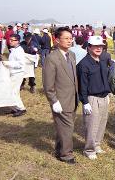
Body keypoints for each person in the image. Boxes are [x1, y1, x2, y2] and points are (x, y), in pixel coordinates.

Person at [43, 27, 78, 164]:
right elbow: (48, 84)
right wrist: (54, 101)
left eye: (70, 38)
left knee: (63, 128)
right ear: (57, 40)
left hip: (72, 98)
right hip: (61, 100)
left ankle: (59, 149)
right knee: (67, 128)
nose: (69, 41)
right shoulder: (52, 58)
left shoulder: (72, 55)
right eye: (66, 38)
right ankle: (66, 155)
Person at [77, 36, 111, 160]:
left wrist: (108, 93)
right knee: (92, 124)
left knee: (102, 122)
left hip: (104, 96)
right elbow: (82, 85)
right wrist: (85, 102)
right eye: (95, 46)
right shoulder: (84, 64)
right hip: (92, 98)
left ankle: (97, 145)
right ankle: (89, 149)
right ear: (89, 47)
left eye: (100, 46)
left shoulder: (102, 60)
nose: (98, 48)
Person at [2, 34, 28, 117]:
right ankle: (14, 108)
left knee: (13, 91)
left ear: (18, 41)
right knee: (12, 91)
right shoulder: (14, 50)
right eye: (10, 40)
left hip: (17, 73)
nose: (10, 41)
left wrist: (7, 63)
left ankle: (21, 108)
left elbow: (20, 64)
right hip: (13, 72)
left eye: (12, 40)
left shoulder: (19, 51)